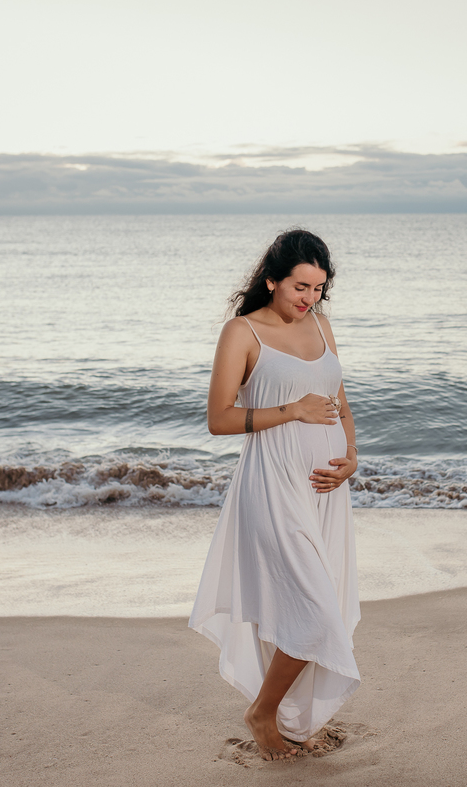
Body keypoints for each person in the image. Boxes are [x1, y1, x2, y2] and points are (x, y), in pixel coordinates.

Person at [189, 229, 360, 761]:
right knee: (314, 612)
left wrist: (351, 458)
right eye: (299, 287)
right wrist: (291, 411)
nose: (308, 299)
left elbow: (341, 403)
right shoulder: (242, 332)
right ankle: (262, 712)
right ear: (272, 280)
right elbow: (218, 419)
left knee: (311, 607)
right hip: (272, 487)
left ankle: (288, 717)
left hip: (327, 492)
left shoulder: (322, 327)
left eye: (318, 289)